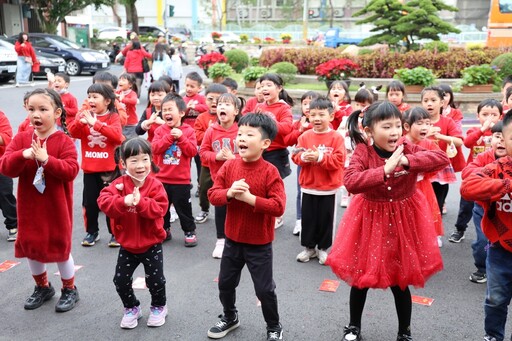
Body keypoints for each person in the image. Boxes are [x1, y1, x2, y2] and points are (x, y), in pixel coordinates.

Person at [327, 101, 449, 341]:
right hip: (369, 219)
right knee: (361, 277)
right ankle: (353, 327)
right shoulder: (363, 151)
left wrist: (406, 162)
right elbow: (351, 181)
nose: (394, 132)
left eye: (397, 126)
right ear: (369, 131)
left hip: (404, 221)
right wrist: (384, 171)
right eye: (386, 126)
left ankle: (405, 331)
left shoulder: (407, 147)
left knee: (400, 279)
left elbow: (440, 158)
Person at [207, 113, 285, 341]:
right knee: (225, 283)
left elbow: (278, 206)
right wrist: (230, 193)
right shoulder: (229, 166)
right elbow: (213, 194)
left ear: (265, 144)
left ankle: (274, 326)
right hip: (232, 240)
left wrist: (250, 198)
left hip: (259, 244)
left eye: (249, 134)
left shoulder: (270, 171)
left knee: (264, 289)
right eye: (240, 133)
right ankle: (230, 317)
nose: (241, 138)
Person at [0, 88, 80, 312]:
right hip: (29, 208)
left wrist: (47, 160)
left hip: (56, 207)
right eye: (32, 109)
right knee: (31, 247)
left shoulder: (64, 141)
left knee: (59, 248)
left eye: (43, 109)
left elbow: (71, 170)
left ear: (56, 113)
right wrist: (22, 155)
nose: (36, 114)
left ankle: (70, 289)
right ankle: (43, 287)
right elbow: (5, 166)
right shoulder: (23, 138)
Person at [97, 138, 169, 329]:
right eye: (134, 160)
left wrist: (140, 202)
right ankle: (131, 308)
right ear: (123, 163)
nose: (140, 165)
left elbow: (160, 209)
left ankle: (159, 306)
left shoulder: (155, 186)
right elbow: (103, 202)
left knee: (155, 281)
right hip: (127, 245)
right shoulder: (118, 184)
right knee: (120, 280)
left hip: (151, 244)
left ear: (151, 159)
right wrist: (124, 201)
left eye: (144, 159)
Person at [460, 112, 512, 341]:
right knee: (496, 299)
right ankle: (493, 336)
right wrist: (506, 184)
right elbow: (468, 187)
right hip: (500, 249)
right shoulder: (497, 166)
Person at [68, 83, 124, 247]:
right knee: (90, 203)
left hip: (110, 170)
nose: (91, 100)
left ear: (107, 101)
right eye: (89, 96)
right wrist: (81, 122)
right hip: (90, 169)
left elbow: (117, 137)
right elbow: (72, 132)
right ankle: (92, 232)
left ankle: (115, 233)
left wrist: (96, 124)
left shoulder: (113, 117)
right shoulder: (84, 115)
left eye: (95, 97)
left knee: (111, 203)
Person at [291, 96, 345, 264]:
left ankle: (322, 249)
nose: (316, 118)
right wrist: (304, 158)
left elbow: (339, 161)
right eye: (313, 115)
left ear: (331, 116)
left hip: (329, 188)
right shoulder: (305, 136)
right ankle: (308, 249)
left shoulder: (336, 138)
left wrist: (320, 156)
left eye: (321, 115)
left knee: (325, 220)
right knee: (308, 219)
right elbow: (295, 155)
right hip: (308, 186)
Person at [450, 99, 502, 244]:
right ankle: (459, 229)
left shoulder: (500, 134)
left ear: (500, 117)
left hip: (493, 178)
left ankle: (490, 235)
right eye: (485, 114)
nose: (489, 118)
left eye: (493, 115)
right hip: (474, 176)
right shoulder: (475, 131)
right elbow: (467, 143)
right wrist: (482, 130)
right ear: (478, 116)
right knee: (466, 206)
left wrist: (494, 130)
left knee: (490, 207)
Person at [461, 121, 506, 285]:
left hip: (506, 210)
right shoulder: (484, 157)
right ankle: (482, 268)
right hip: (483, 208)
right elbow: (467, 172)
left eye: (506, 137)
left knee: (502, 243)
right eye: (497, 137)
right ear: (490, 139)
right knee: (482, 243)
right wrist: (489, 174)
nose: (500, 141)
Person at [151, 93, 198, 246]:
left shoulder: (189, 131)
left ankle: (189, 231)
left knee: (183, 208)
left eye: (170, 109)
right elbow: (155, 149)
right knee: (162, 208)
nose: (166, 113)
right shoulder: (160, 130)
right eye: (164, 110)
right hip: (161, 178)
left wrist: (182, 138)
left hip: (181, 180)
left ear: (182, 113)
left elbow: (192, 152)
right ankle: (165, 230)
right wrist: (170, 137)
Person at [200, 93, 242, 258]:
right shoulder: (211, 130)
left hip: (239, 177)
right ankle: (221, 240)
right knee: (220, 208)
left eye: (227, 105)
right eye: (220, 105)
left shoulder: (241, 130)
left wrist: (234, 158)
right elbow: (202, 152)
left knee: (238, 209)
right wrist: (216, 157)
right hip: (219, 178)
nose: (222, 107)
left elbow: (251, 153)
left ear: (236, 111)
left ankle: (237, 240)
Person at [253, 73, 294, 228]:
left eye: (269, 85)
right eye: (262, 85)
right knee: (259, 185)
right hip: (259, 152)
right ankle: (263, 213)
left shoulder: (284, 108)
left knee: (274, 187)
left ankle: (277, 215)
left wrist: (268, 121)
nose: (264, 88)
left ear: (279, 88)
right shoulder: (260, 106)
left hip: (276, 153)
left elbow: (286, 128)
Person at [402, 107, 444, 247]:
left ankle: (432, 234)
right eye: (419, 123)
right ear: (407, 126)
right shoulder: (400, 143)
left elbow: (440, 161)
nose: (425, 127)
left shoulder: (429, 143)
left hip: (423, 184)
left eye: (427, 123)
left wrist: (426, 171)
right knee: (407, 213)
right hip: (405, 186)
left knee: (428, 210)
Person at [421, 86, 464, 218]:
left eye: (433, 100)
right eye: (425, 100)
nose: (429, 103)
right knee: (422, 203)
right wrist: (425, 135)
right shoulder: (417, 122)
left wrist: (439, 136)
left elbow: (459, 141)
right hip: (422, 166)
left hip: (441, 168)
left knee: (437, 204)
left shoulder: (447, 121)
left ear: (441, 103)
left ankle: (435, 234)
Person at [194, 84, 228, 225]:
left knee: (226, 189)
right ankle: (204, 208)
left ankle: (228, 212)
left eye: (219, 100)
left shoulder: (230, 117)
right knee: (204, 188)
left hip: (227, 163)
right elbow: (196, 136)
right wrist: (208, 132)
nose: (214, 103)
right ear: (205, 100)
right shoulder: (201, 117)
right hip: (207, 163)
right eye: (210, 99)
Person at [286, 91, 319, 236]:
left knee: (318, 192)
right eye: (305, 103)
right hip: (303, 163)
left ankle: (315, 221)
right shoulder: (298, 123)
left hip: (319, 164)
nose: (307, 106)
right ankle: (300, 220)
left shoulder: (320, 123)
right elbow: (287, 141)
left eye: (311, 103)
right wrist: (300, 129)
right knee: (301, 191)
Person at [183, 71, 209, 197]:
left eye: (192, 86)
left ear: (199, 88)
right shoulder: (183, 99)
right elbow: (179, 112)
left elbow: (208, 108)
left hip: (198, 139)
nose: (188, 88)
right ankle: (186, 183)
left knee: (200, 163)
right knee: (185, 163)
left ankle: (200, 185)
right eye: (187, 85)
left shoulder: (202, 99)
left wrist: (196, 107)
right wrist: (187, 108)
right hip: (185, 137)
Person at [0, 110, 17, 241]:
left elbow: (5, 138)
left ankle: (14, 225)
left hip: (1, 163)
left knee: (5, 195)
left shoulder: (1, 116)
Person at [116, 73, 139, 139]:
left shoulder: (132, 93)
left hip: (131, 124)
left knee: (130, 143)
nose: (120, 82)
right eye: (119, 80)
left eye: (123, 80)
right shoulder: (118, 92)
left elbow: (133, 101)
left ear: (130, 85)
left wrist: (122, 99)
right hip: (120, 123)